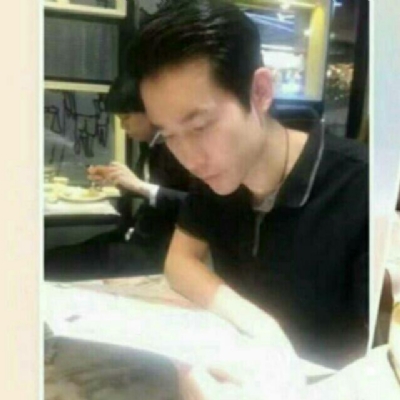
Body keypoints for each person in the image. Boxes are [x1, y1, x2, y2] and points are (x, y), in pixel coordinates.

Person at [132, 0, 368, 373]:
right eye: (169, 135)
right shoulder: (215, 174)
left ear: (259, 91)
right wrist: (256, 322)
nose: (189, 158)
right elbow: (179, 262)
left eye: (199, 126)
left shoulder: (362, 187)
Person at [45, 75, 193, 280]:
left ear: (151, 111)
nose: (123, 127)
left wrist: (139, 186)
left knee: (50, 265)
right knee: (49, 258)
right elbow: (151, 190)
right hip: (133, 237)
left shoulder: (182, 149)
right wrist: (118, 180)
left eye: (126, 118)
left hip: (157, 253)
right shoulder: (151, 145)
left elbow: (198, 206)